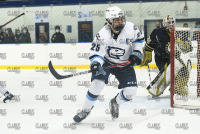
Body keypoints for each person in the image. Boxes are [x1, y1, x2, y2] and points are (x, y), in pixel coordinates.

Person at [73, 6, 144, 123]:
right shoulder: (102, 34)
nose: (120, 21)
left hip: (125, 63)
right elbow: (96, 53)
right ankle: (85, 110)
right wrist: (96, 64)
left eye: (121, 19)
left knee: (131, 92)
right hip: (107, 62)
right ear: (109, 20)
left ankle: (115, 102)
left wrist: (136, 53)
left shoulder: (131, 28)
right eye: (117, 20)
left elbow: (139, 39)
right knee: (97, 84)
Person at [141, 15, 192, 96]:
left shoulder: (180, 32)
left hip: (176, 59)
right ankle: (155, 89)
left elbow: (189, 49)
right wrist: (147, 52)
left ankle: (177, 88)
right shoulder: (157, 32)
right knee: (169, 72)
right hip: (161, 59)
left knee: (183, 72)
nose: (171, 24)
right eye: (168, 22)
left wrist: (185, 46)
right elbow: (149, 45)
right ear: (164, 23)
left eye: (172, 22)